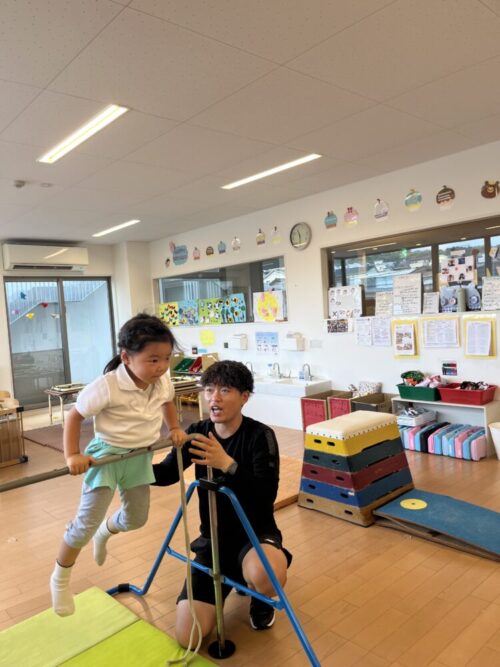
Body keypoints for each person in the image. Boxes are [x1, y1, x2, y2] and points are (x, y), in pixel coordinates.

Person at [50, 313, 187, 616]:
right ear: (126, 357)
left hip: (139, 456)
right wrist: (72, 455)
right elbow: (74, 416)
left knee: (136, 519)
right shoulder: (108, 386)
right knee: (84, 526)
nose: (162, 366)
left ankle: (105, 532)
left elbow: (167, 401)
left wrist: (174, 427)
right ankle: (59, 579)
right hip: (107, 457)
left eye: (167, 358)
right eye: (153, 360)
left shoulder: (161, 381)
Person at [153, 360, 292, 647]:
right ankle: (236, 578)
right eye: (209, 390)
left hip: (254, 535)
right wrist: (125, 470)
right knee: (189, 637)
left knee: (264, 575)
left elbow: (266, 495)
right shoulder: (198, 432)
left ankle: (260, 596)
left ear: (244, 397)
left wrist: (227, 464)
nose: (214, 398)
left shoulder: (260, 436)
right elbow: (166, 474)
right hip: (213, 542)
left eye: (225, 390)